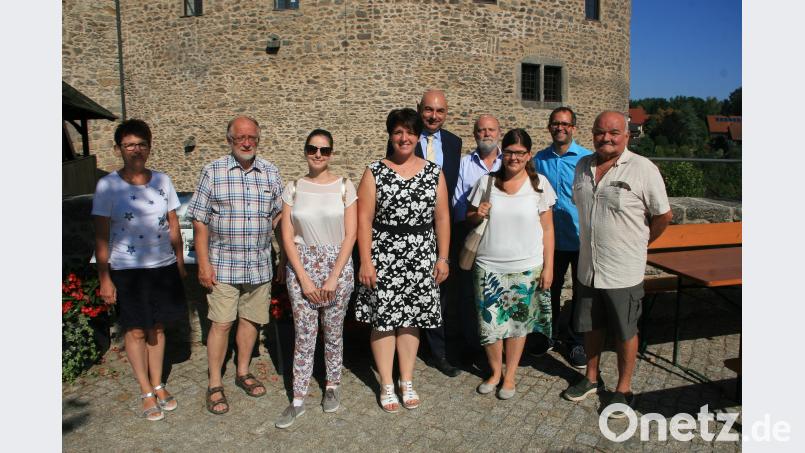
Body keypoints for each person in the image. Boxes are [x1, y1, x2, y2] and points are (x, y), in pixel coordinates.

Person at [562, 111, 672, 418]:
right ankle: (591, 378)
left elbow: (663, 215)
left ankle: (624, 389)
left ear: (626, 135)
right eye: (600, 132)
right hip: (588, 267)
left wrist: (641, 242)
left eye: (613, 132)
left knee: (625, 331)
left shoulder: (642, 169)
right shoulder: (583, 166)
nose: (606, 138)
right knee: (591, 325)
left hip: (623, 269)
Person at [186, 115, 284, 415]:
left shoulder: (270, 172)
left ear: (258, 139)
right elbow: (200, 220)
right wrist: (203, 264)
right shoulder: (212, 171)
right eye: (240, 137)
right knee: (221, 323)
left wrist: (282, 258)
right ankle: (215, 382)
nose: (246, 142)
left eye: (252, 138)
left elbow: (279, 218)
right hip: (223, 265)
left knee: (251, 320)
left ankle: (242, 371)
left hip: (259, 265)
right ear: (229, 140)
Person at [355, 108, 451, 412]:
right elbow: (363, 219)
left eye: (410, 132)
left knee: (411, 320)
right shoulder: (374, 171)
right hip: (384, 253)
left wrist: (443, 258)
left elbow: (443, 217)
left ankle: (406, 379)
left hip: (421, 254)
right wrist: (366, 261)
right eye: (398, 132)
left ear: (418, 136)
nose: (404, 137)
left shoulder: (434, 172)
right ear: (390, 136)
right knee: (383, 320)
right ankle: (386, 382)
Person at [92, 119, 187, 421]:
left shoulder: (163, 181)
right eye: (129, 145)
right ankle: (145, 391)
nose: (136, 150)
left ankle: (158, 383)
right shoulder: (108, 186)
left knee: (157, 327)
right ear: (119, 148)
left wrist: (180, 263)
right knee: (134, 330)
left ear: (149, 146)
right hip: (128, 270)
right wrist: (105, 279)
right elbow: (101, 236)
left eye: (141, 144)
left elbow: (173, 225)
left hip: (162, 267)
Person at [274, 129, 357, 428]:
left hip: (337, 267)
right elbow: (286, 236)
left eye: (324, 150)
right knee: (305, 335)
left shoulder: (345, 186)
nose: (318, 154)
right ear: (306, 151)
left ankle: (332, 386)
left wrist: (333, 278)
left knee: (333, 332)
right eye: (312, 149)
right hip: (302, 267)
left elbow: (351, 235)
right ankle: (298, 398)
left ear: (331, 153)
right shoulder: (293, 188)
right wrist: (305, 280)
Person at [465, 128, 556, 400]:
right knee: (489, 326)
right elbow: (470, 217)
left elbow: (548, 229)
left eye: (519, 153)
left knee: (517, 324)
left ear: (528, 155)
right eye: (508, 152)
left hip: (526, 267)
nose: (513, 158)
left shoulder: (539, 184)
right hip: (488, 266)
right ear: (501, 153)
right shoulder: (487, 183)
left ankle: (511, 375)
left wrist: (549, 267)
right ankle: (494, 372)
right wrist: (476, 213)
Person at [532, 107, 593, 369]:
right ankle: (549, 335)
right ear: (549, 127)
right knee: (549, 290)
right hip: (550, 241)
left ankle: (575, 341)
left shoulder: (586, 159)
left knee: (581, 294)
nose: (561, 128)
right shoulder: (539, 159)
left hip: (579, 239)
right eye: (556, 123)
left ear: (573, 128)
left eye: (566, 124)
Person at [416, 89, 463, 377]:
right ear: (419, 110)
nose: (434, 116)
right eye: (429, 110)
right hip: (413, 227)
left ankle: (438, 350)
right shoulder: (405, 139)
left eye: (440, 111)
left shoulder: (454, 143)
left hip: (445, 228)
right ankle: (418, 345)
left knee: (441, 288)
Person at [452, 114, 503, 367]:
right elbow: (458, 204)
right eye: (481, 130)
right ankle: (472, 345)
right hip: (472, 234)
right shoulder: (464, 165)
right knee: (469, 294)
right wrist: (475, 217)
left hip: (504, 239)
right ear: (475, 134)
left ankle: (499, 346)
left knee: (499, 291)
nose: (486, 134)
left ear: (499, 132)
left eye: (490, 129)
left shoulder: (512, 161)